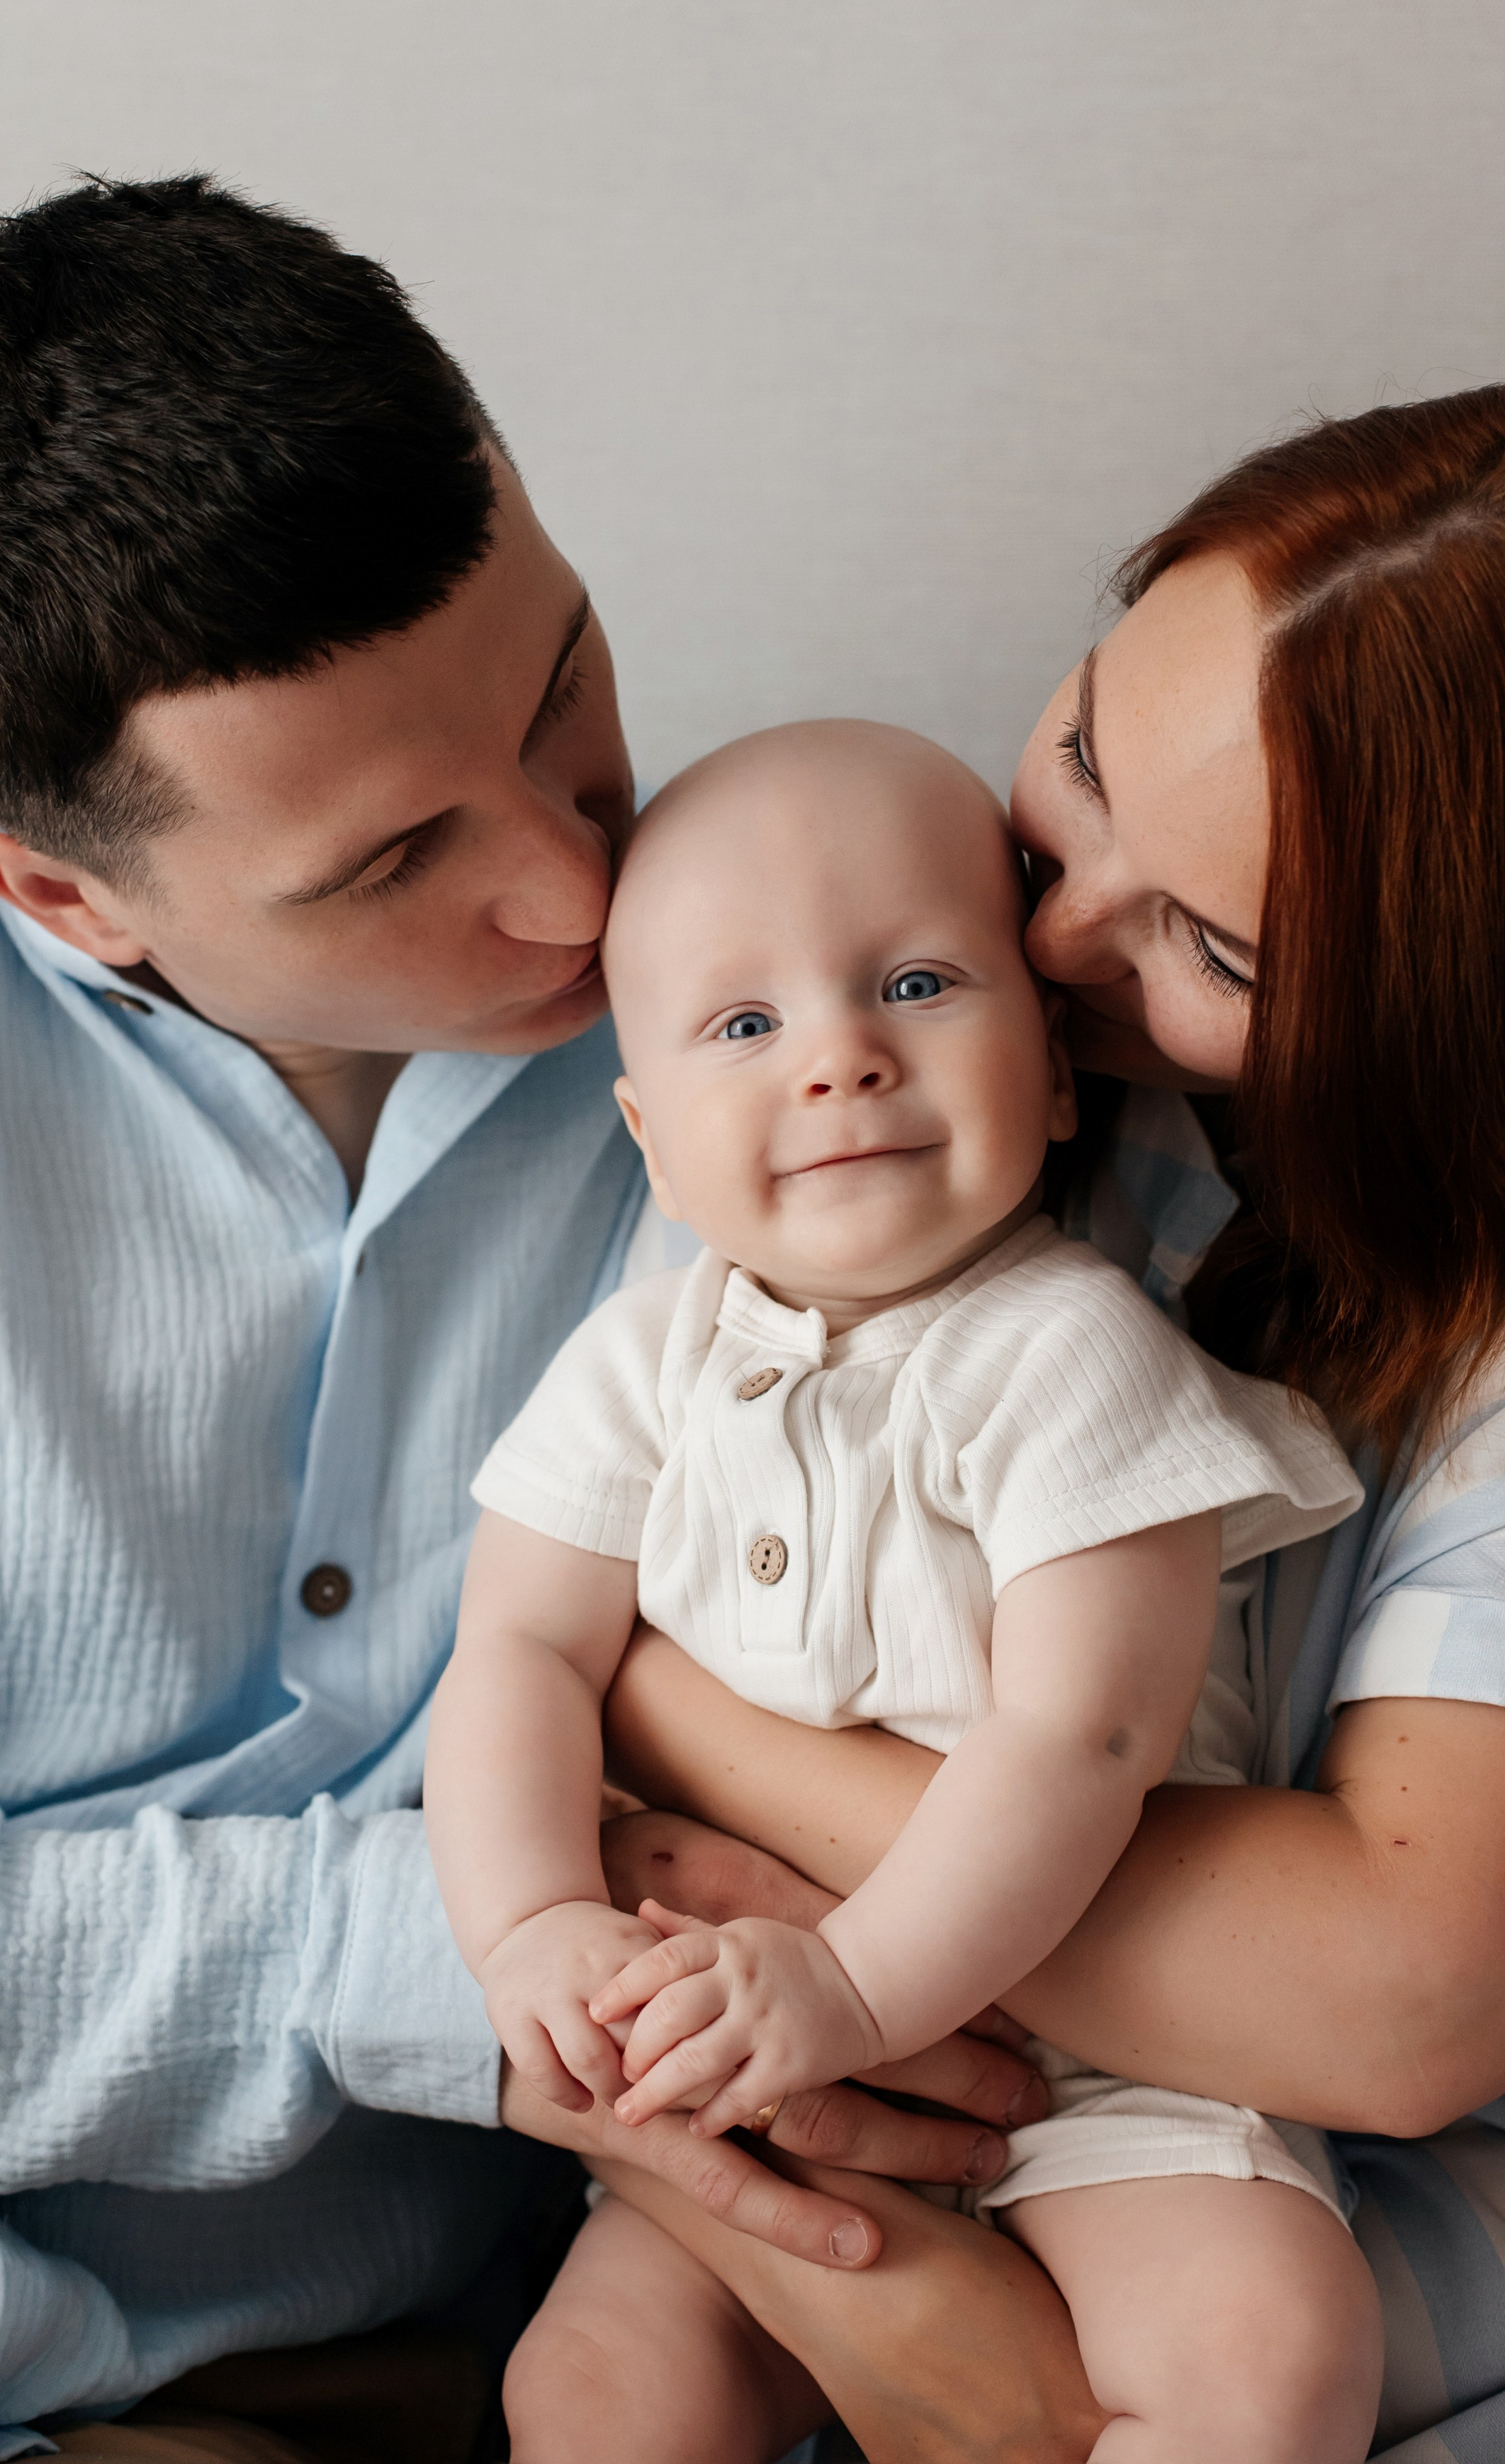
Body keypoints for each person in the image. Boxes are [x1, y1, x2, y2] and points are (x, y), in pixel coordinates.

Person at [0, 179, 1035, 2464]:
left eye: (565, 689)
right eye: (392, 860)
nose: (574, 880)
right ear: (62, 896)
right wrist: (448, 1951)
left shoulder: (817, 1003)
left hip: (530, 2331)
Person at [489, 380, 1505, 2464]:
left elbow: (1396, 1992)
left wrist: (681, 1742)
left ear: (1444, 1026)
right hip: (811, 2101)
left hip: (1350, 2251)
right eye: (1080, 757)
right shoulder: (851, 1072)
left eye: (1211, 945)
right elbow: (535, 1625)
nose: (1049, 933)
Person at [427, 720, 1375, 2463]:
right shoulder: (638, 1362)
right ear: (648, 1137)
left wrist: (856, 1993)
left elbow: (1076, 1739)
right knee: (590, 2390)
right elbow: (518, 1653)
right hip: (737, 2023)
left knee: (1265, 2357)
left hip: (1096, 2056)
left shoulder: (1069, 1355)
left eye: (917, 985)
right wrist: (531, 1924)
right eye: (742, 1026)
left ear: (1058, 1072)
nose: (840, 1059)